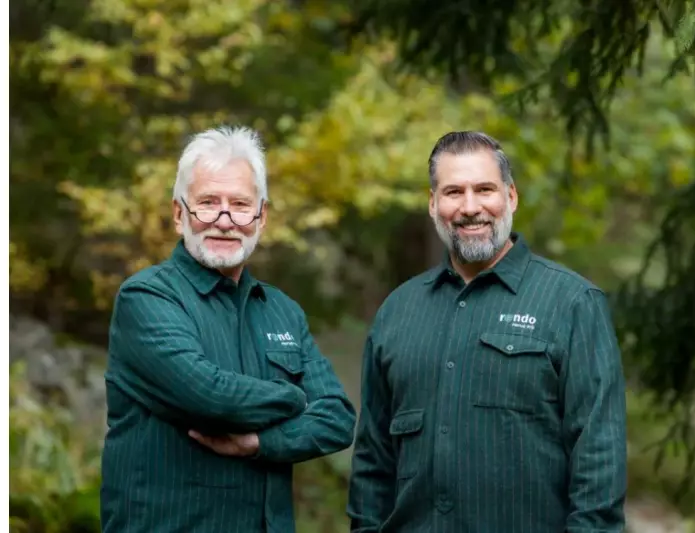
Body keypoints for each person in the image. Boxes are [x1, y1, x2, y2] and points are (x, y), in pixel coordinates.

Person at [347, 131, 627, 533]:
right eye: (453, 192)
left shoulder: (572, 303)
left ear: (511, 197)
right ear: (433, 204)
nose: (470, 207)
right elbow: (373, 462)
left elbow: (600, 460)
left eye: (484, 189)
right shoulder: (398, 311)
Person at [100, 126, 356, 533]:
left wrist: (261, 443)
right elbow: (209, 396)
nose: (224, 220)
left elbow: (339, 419)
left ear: (261, 216)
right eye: (207, 203)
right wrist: (296, 397)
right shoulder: (147, 298)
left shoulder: (282, 311)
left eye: (239, 204)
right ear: (179, 213)